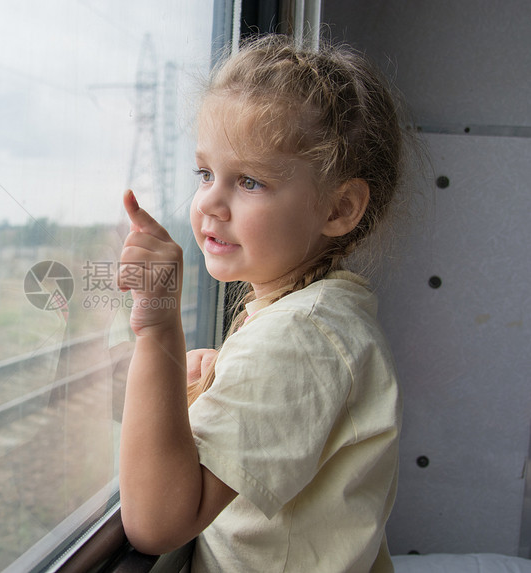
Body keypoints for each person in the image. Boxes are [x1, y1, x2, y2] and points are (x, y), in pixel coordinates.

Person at [117, 33, 408, 572]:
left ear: (340, 208)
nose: (208, 202)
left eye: (249, 181)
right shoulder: (317, 315)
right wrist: (222, 376)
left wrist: (159, 328)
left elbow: (155, 524)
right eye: (205, 173)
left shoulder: (299, 339)